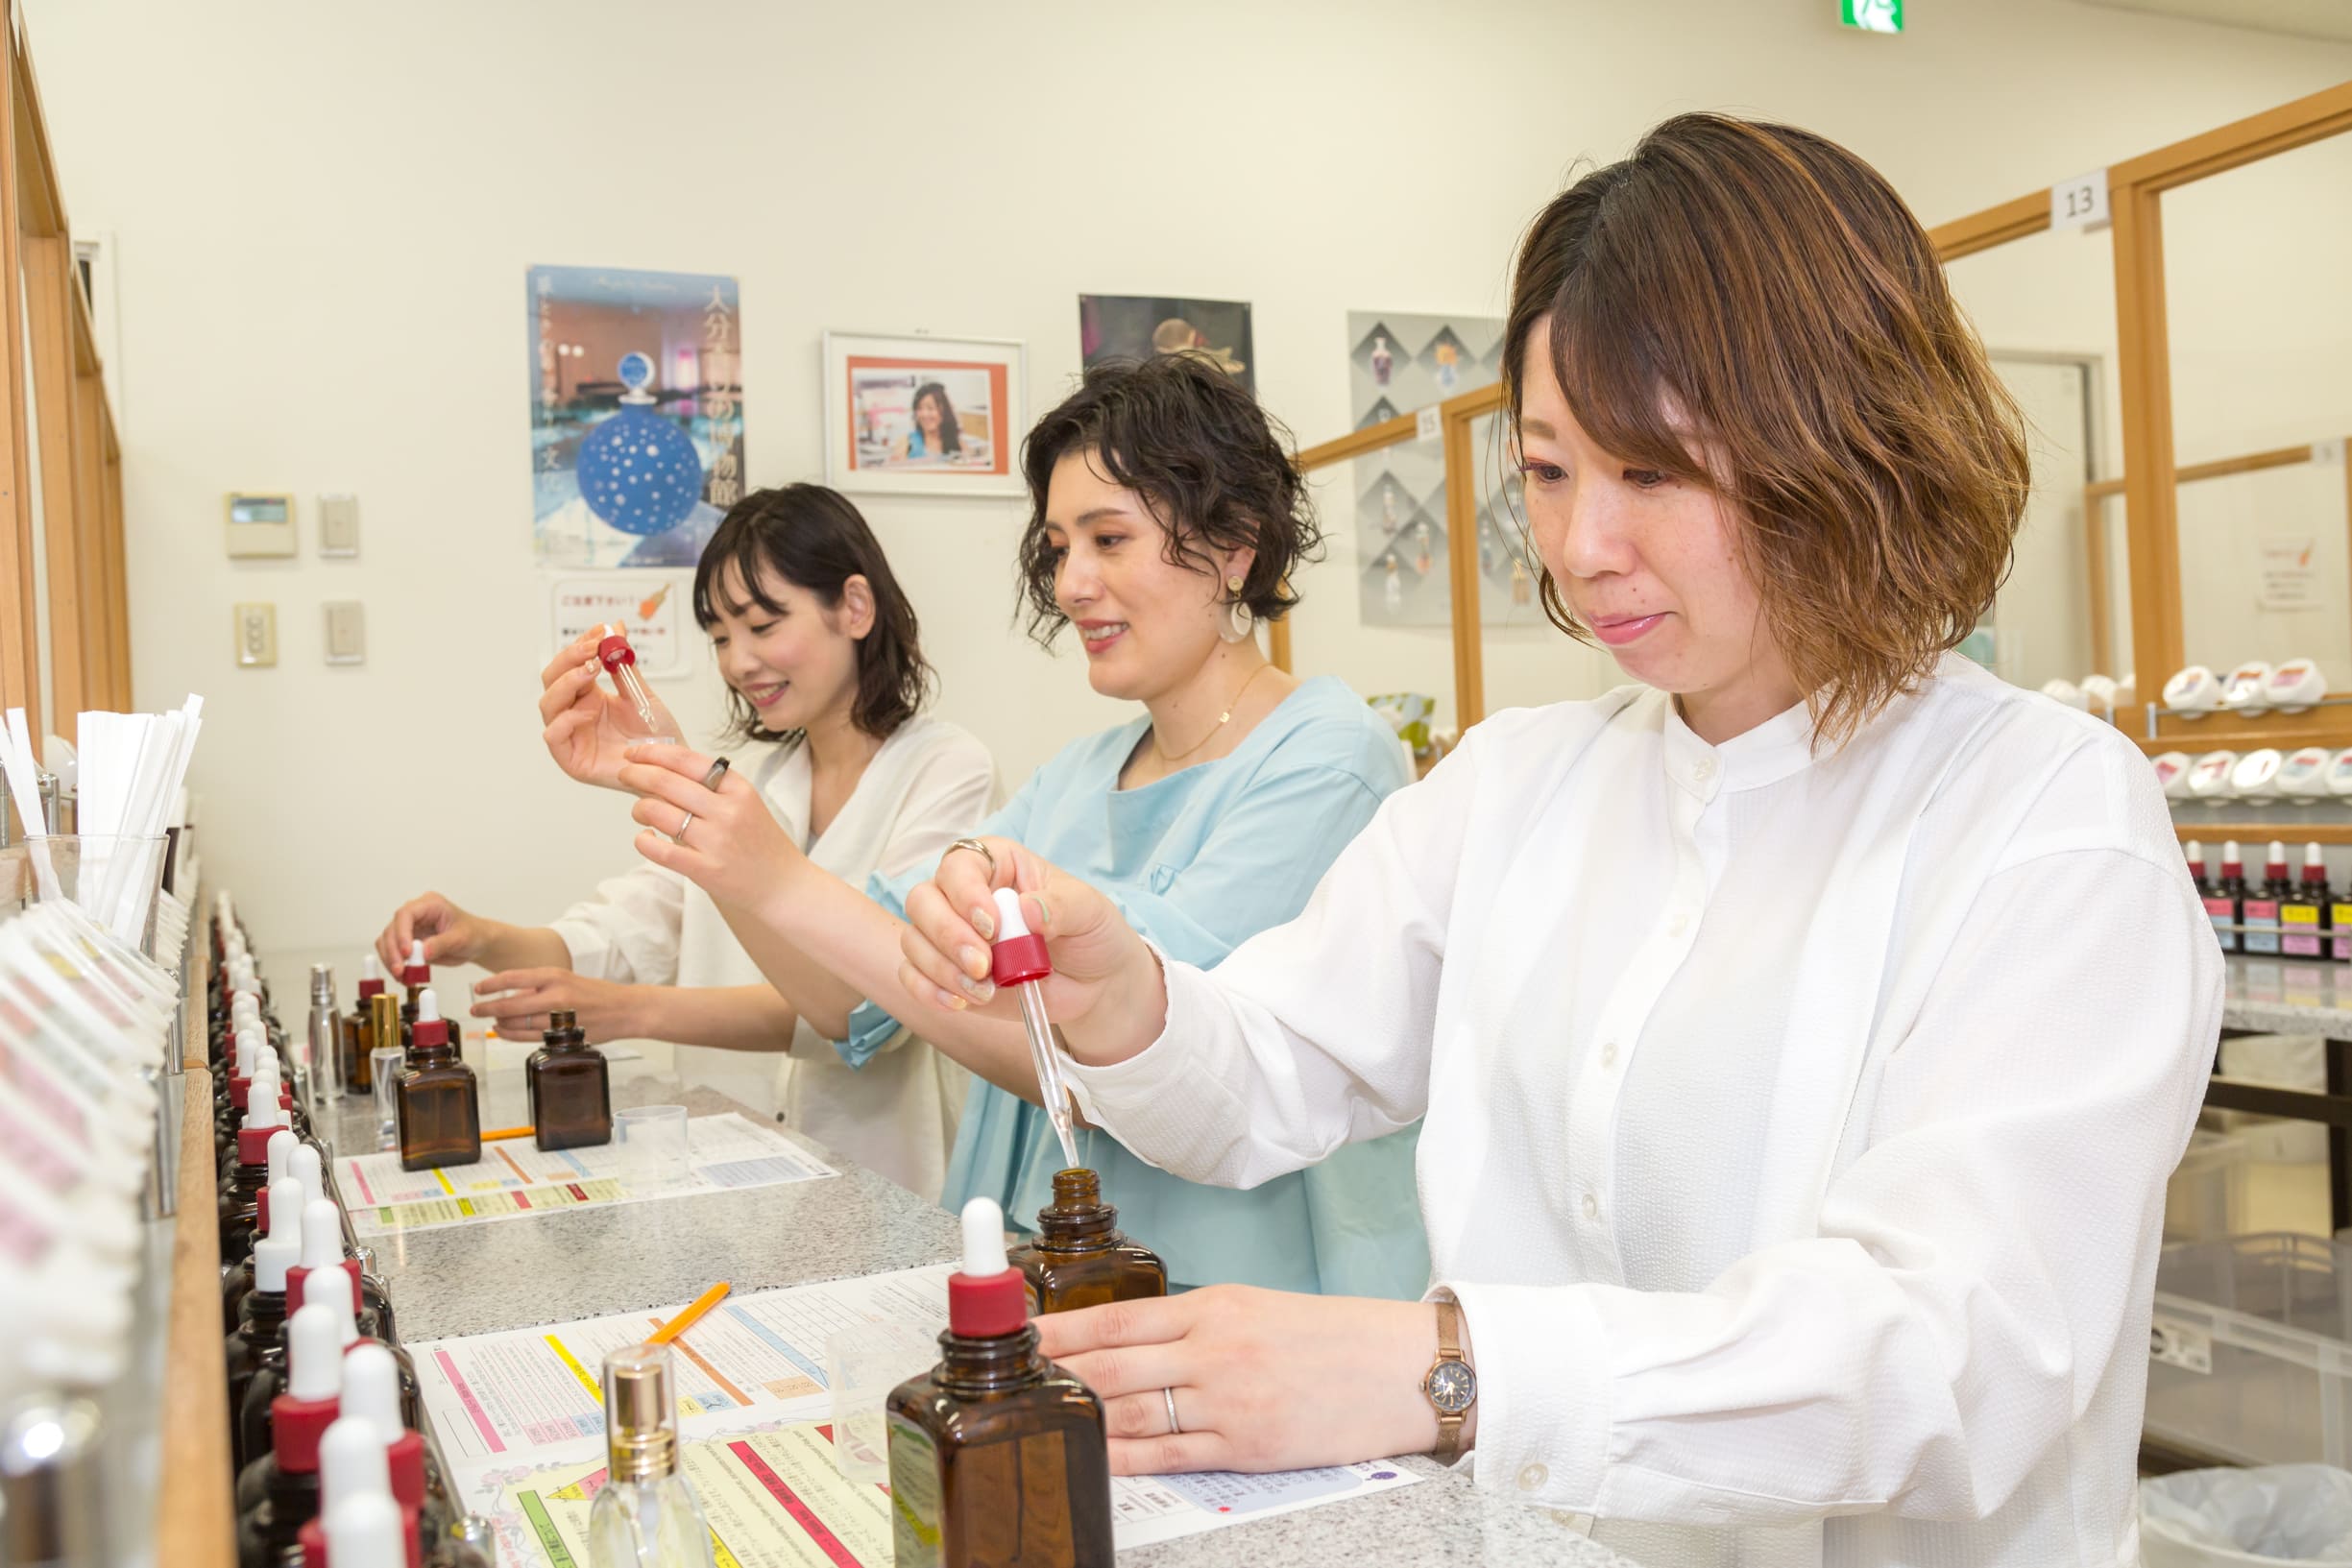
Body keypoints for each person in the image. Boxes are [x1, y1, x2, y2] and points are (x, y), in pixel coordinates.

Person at [895, 115, 2221, 1566]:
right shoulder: (1522, 779)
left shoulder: (2046, 817)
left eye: (1652, 472)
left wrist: (1451, 1369)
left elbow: (1961, 1358)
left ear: (1851, 443)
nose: (1585, 544)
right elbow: (1281, 1064)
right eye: (1546, 470)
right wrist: (1124, 997)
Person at [618, 354, 1430, 1300]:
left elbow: (1132, 1065)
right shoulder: (1076, 777)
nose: (1072, 581)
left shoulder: (1328, 757)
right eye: (1057, 545)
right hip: (1037, 1270)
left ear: (1236, 545)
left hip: (1227, 1295)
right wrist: (707, 816)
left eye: (1109, 538)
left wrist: (778, 880)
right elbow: (854, 1004)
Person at [379, 484, 995, 1197]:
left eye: (763, 625)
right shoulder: (754, 781)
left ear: (854, 607)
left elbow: (863, 1012)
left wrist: (628, 1008)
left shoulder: (947, 770)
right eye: (721, 637)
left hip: (886, 1181)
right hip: (740, 1173)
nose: (738, 662)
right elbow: (617, 937)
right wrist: (480, 935)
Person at [891, 382, 962, 463]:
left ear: (944, 411)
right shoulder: (906, 443)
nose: (924, 414)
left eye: (930, 408)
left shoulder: (959, 444)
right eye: (919, 408)